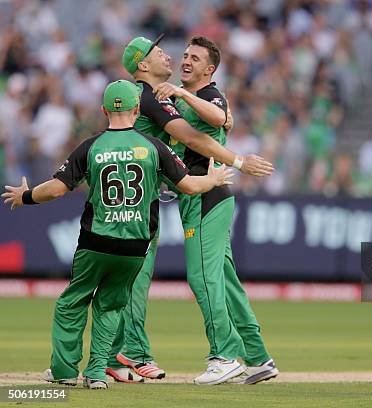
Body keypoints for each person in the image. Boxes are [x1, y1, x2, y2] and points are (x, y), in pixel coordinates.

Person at [1, 80, 233, 389]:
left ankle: (65, 371)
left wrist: (26, 196)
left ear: (104, 110)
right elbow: (189, 185)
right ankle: (96, 373)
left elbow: (56, 189)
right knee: (110, 306)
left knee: (72, 303)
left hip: (96, 241)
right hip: (135, 246)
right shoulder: (154, 146)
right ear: (137, 110)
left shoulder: (92, 146)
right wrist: (214, 177)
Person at [106, 35, 274, 383]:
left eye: (194, 58)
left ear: (209, 70)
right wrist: (217, 116)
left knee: (202, 278)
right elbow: (213, 121)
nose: (183, 59)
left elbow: (211, 121)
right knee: (225, 282)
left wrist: (238, 157)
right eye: (182, 55)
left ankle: (224, 356)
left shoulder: (198, 95)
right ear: (143, 64)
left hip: (204, 195)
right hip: (198, 194)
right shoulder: (166, 98)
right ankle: (257, 357)